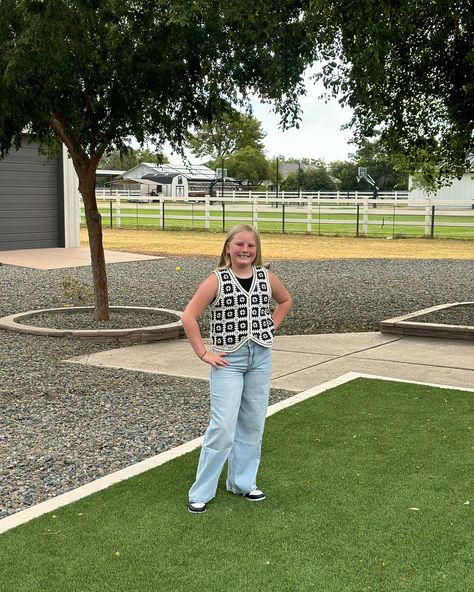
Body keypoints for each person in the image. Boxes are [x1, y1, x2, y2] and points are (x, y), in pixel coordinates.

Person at [181, 224, 292, 513]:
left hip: (261, 358)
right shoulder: (216, 280)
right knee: (223, 426)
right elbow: (189, 316)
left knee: (253, 423)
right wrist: (203, 353)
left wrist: (272, 326)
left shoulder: (265, 276)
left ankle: (242, 482)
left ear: (257, 250)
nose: (245, 250)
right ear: (228, 247)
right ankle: (201, 491)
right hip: (228, 361)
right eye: (239, 244)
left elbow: (285, 300)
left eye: (251, 246)